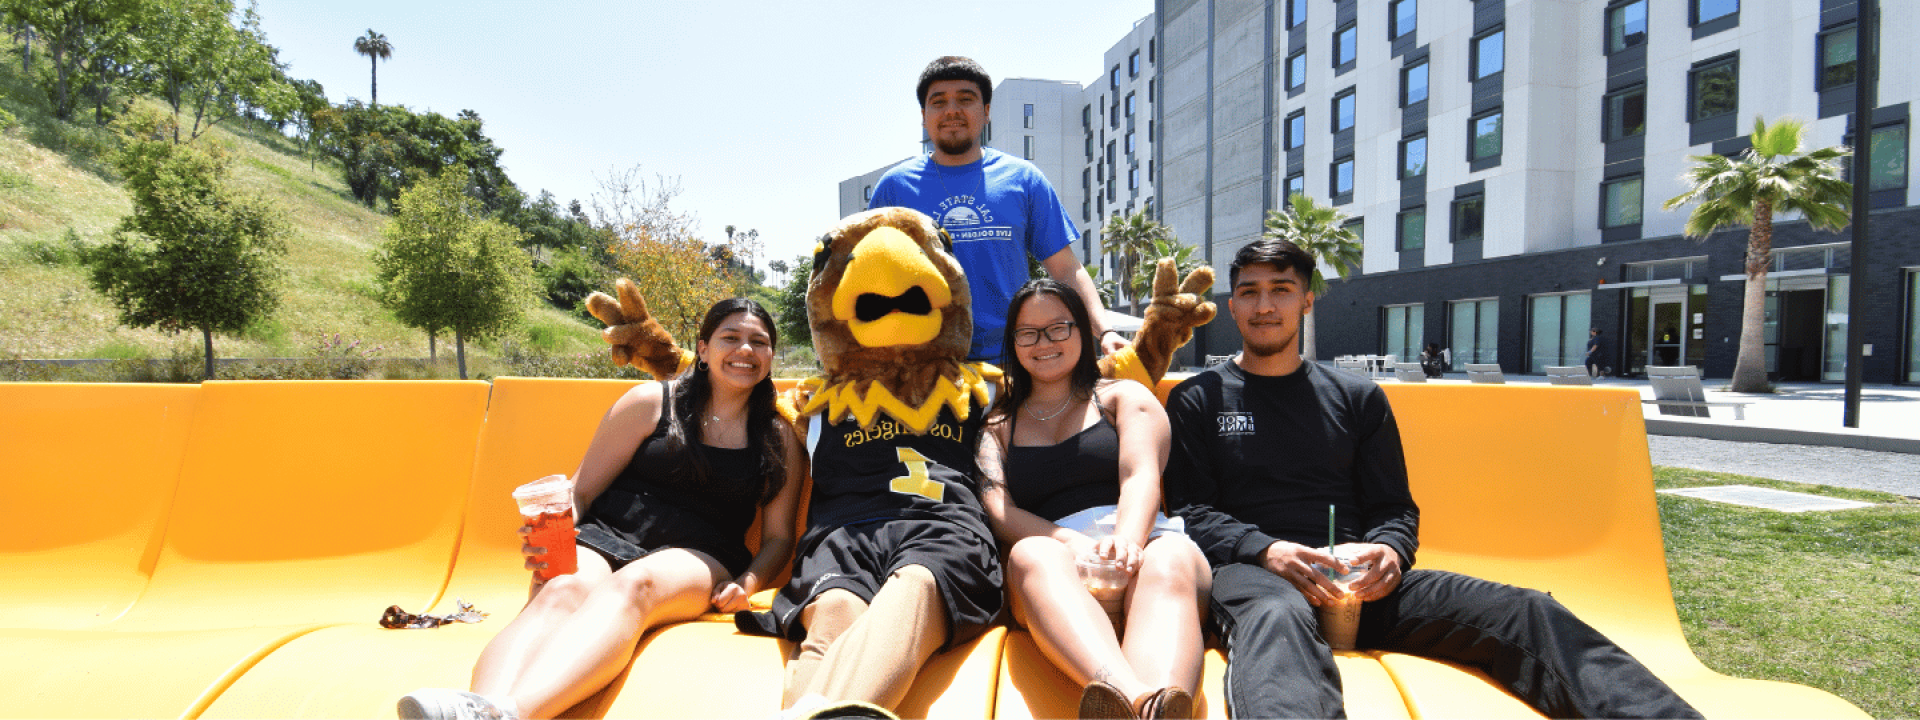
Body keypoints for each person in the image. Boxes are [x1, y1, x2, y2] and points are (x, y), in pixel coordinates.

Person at [1161, 239, 1703, 719]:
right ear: (1232, 306)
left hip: (1359, 584)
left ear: (1306, 300)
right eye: (1250, 292)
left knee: (1526, 609)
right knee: (1277, 618)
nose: (1264, 306)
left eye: (1281, 289)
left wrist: (1389, 554)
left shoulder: (1357, 398)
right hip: (1257, 578)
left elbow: (1395, 508)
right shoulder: (1198, 400)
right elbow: (1189, 514)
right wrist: (1269, 550)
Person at [399, 298, 804, 720]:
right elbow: (582, 491)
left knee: (636, 583)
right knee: (562, 590)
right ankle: (479, 710)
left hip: (702, 554)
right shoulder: (650, 403)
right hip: (606, 532)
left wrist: (749, 582)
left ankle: (510, 713)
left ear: (771, 356)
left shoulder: (777, 435)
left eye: (759, 342)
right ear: (702, 349)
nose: (745, 351)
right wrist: (553, 527)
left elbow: (778, 537)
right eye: (730, 338)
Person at [974, 280, 1210, 720]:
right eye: (1028, 332)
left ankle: (1145, 702)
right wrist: (1073, 545)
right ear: (1013, 343)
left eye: (1058, 328)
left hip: (1142, 543)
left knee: (1170, 558)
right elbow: (998, 509)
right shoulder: (998, 424)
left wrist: (1127, 542)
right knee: (1031, 553)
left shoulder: (1124, 397)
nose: (1043, 343)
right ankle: (1142, 702)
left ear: (1082, 331)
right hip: (1054, 569)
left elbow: (1141, 475)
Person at [868, 56, 1130, 365]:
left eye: (966, 99)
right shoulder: (895, 187)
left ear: (986, 112)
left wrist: (1106, 332)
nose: (952, 110)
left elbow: (1065, 268)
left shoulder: (1023, 179)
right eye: (939, 102)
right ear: (924, 116)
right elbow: (870, 276)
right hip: (923, 366)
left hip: (1015, 363)